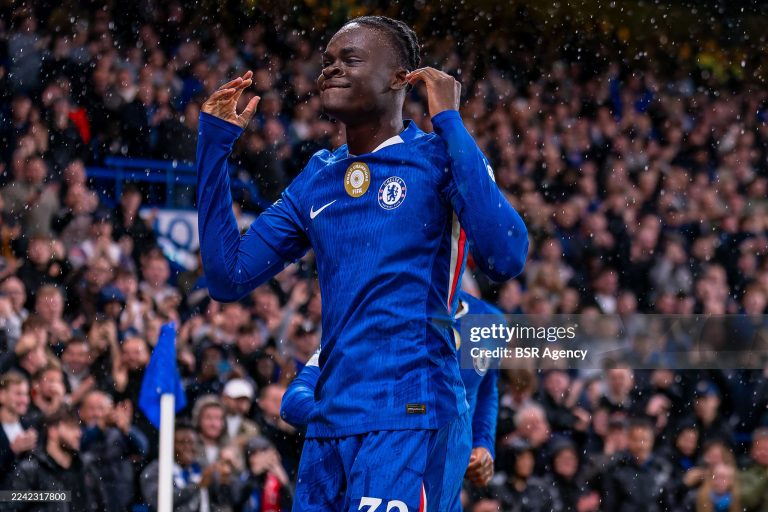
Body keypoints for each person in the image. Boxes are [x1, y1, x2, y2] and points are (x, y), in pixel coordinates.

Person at [197, 15, 528, 509]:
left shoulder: (439, 157)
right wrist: (213, 146)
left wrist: (450, 122)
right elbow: (229, 275)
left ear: (401, 78)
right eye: (327, 62)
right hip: (330, 424)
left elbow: (506, 256)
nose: (330, 70)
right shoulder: (318, 177)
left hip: (410, 413)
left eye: (350, 59)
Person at [280, 289, 502, 509]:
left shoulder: (489, 322)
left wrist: (483, 443)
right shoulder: (372, 316)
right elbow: (293, 401)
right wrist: (369, 417)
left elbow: (486, 390)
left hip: (441, 490)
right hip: (364, 486)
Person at [5, 405, 108, 511]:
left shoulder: (85, 468)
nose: (79, 433)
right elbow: (7, 506)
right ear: (53, 431)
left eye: (78, 428)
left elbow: (102, 506)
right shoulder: (30, 471)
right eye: (71, 427)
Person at [0, 371, 37, 479]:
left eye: (26, 394)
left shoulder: (30, 427)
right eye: (18, 394)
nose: (24, 400)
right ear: (1, 395)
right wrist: (12, 451)